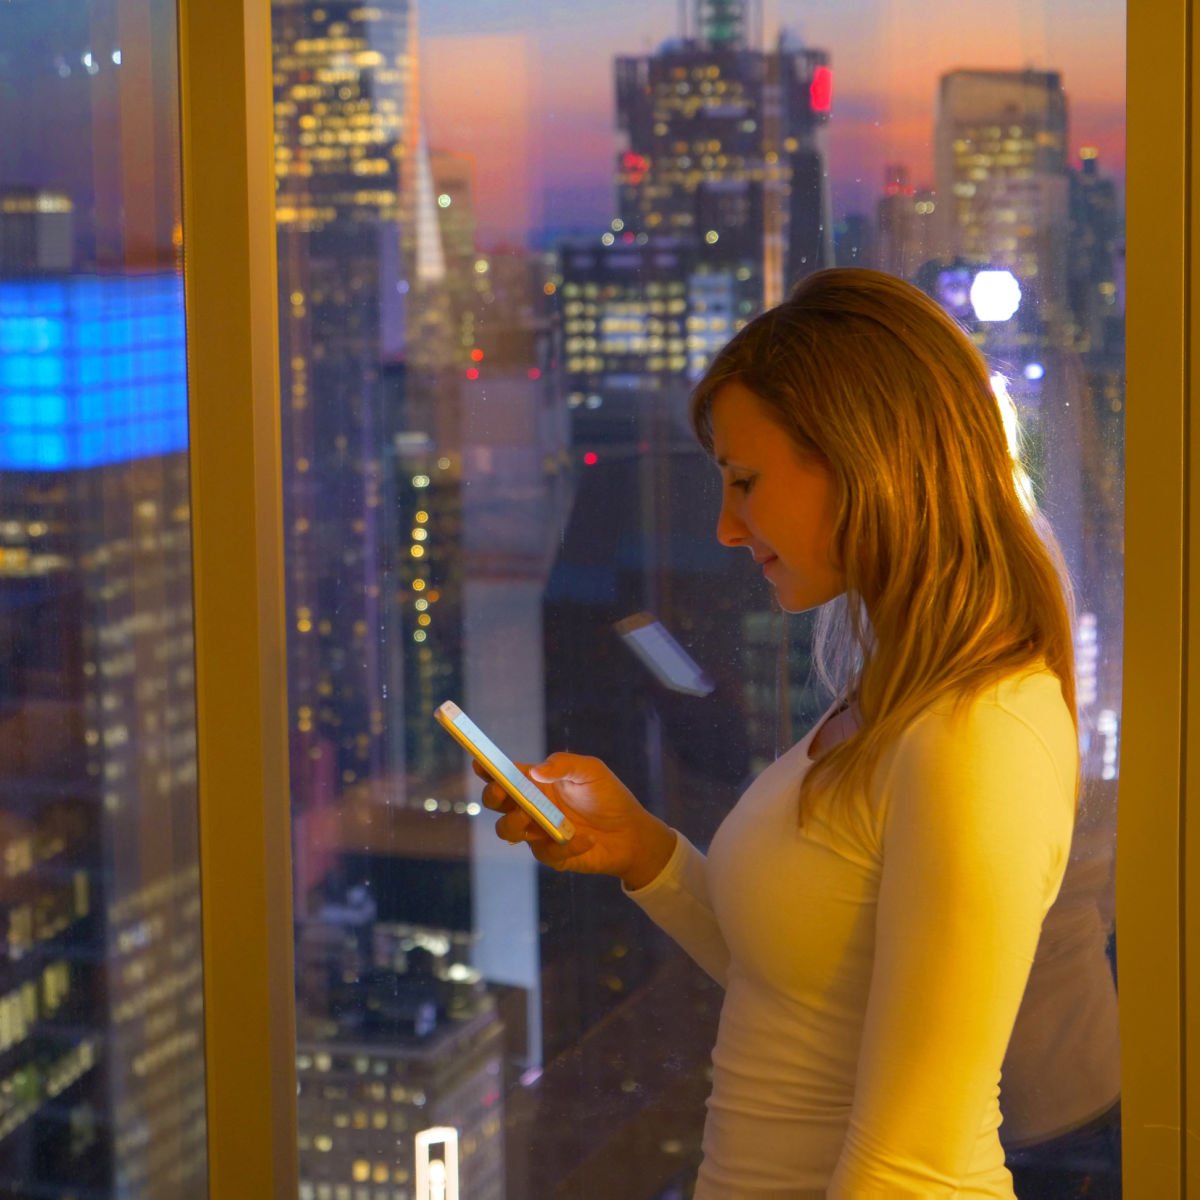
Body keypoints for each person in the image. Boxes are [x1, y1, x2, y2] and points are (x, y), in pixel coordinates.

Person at [477, 267, 1080, 1198]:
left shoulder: (979, 736)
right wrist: (642, 849)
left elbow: (911, 1167)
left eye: (745, 482)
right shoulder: (901, 697)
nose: (725, 527)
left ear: (866, 459)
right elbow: (799, 995)